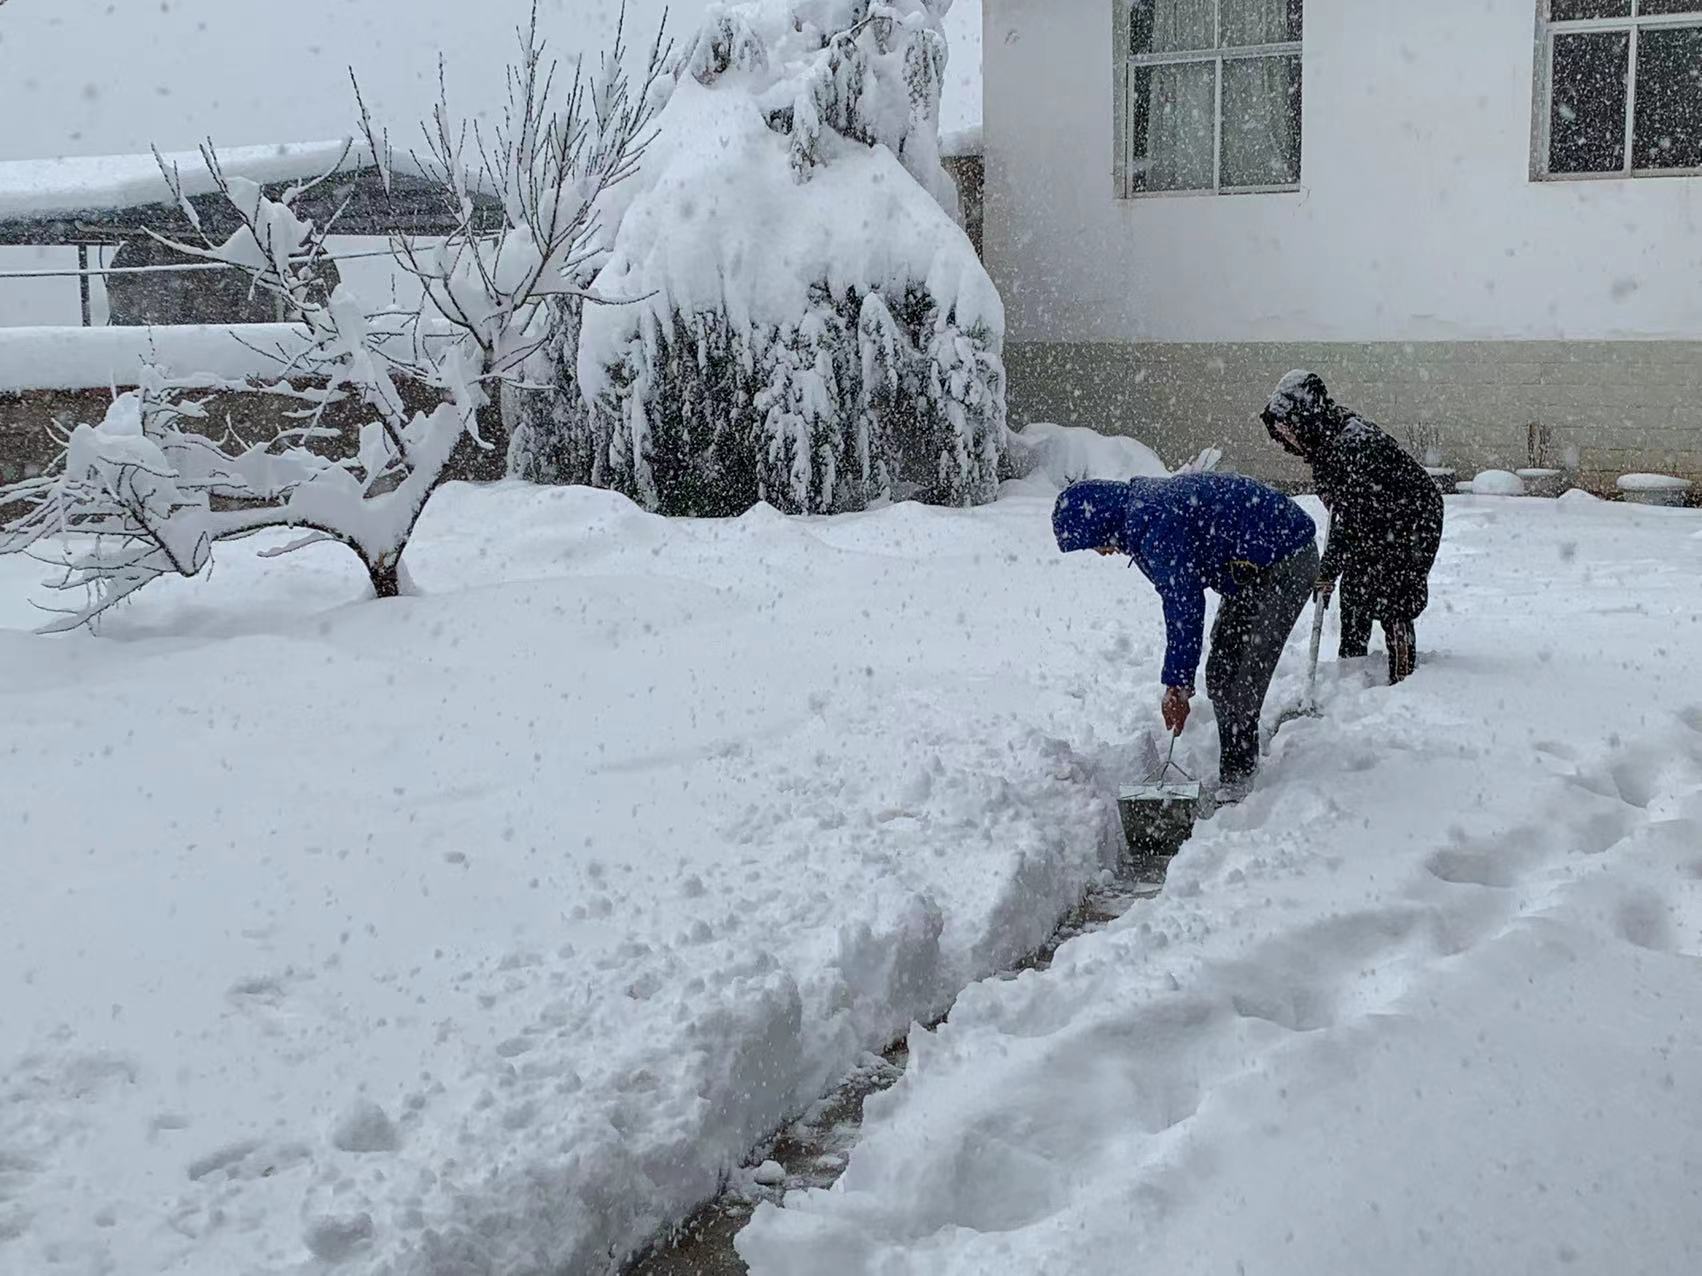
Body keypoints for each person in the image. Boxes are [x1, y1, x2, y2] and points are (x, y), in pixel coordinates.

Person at [1052, 474, 1319, 800]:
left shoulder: (1154, 524)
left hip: (1285, 559)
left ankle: (1241, 784)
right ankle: (1237, 768)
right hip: (1251, 568)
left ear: (1099, 523)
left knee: (1242, 679)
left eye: (1092, 542)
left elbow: (1184, 605)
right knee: (1222, 672)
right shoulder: (1139, 516)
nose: (1100, 552)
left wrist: (1177, 686)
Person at [1260, 370, 1444, 684]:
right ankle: (1352, 675)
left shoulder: (1350, 444)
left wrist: (1328, 569)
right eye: (1279, 429)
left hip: (1413, 518)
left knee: (1395, 592)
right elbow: (1345, 517)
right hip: (1376, 517)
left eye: (1286, 426)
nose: (1283, 435)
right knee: (1357, 590)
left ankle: (1405, 683)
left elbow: (1347, 520)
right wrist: (1332, 570)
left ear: (1303, 417)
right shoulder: (1325, 441)